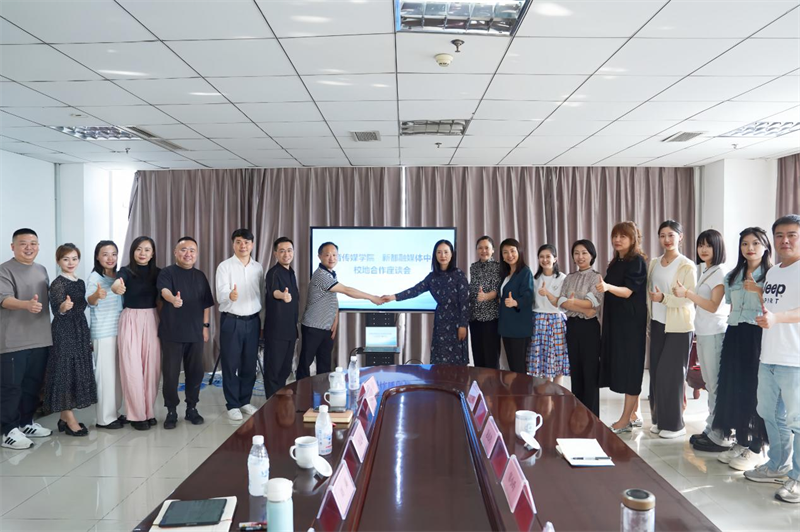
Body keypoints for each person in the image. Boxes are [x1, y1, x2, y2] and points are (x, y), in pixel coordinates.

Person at [746, 214, 800, 503]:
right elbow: (774, 303)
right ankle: (778, 465)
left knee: (797, 421)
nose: (785, 240)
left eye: (792, 235)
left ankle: (798, 477)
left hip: (795, 358)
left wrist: (778, 318)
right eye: (779, 235)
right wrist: (759, 294)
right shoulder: (775, 272)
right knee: (769, 412)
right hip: (769, 355)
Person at [714, 227, 772, 470]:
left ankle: (757, 448)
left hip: (757, 335)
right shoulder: (732, 276)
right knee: (733, 386)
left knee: (754, 390)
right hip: (735, 332)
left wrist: (759, 290)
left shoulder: (772, 275)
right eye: (745, 243)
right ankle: (741, 440)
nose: (750, 248)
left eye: (756, 243)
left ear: (765, 247)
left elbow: (776, 308)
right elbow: (730, 306)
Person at [673, 229, 731, 452]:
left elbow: (713, 306)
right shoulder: (707, 270)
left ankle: (720, 435)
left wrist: (687, 293)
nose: (704, 249)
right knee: (709, 382)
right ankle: (711, 428)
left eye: (709, 245)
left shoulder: (720, 272)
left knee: (715, 385)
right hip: (705, 332)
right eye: (701, 245)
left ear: (718, 248)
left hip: (715, 332)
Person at [0, 228, 53, 449]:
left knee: (33, 384)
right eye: (23, 243)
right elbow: (4, 299)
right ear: (13, 247)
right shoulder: (4, 270)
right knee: (11, 387)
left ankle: (25, 423)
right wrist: (26, 304)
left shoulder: (41, 269)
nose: (29, 247)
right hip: (13, 341)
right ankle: (8, 431)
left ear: (38, 246)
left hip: (41, 338)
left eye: (33, 243)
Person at [298, 242, 382, 379]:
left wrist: (335, 320)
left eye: (334, 255)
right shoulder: (321, 275)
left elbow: (333, 298)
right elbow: (346, 290)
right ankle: (301, 391)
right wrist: (372, 297)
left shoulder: (331, 274)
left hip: (326, 326)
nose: (331, 258)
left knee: (325, 364)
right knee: (305, 364)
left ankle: (323, 390)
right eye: (327, 255)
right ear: (319, 256)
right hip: (313, 326)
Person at [157, 237, 214, 430]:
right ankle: (171, 411)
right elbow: (164, 291)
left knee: (195, 373)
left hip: (195, 332)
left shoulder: (200, 276)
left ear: (196, 254)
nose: (188, 254)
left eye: (192, 250)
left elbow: (206, 304)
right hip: (172, 333)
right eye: (183, 250)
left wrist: (205, 327)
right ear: (175, 252)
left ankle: (192, 408)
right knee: (171, 375)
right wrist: (173, 299)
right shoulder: (167, 272)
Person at [647, 220, 696, 439]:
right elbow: (649, 293)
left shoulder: (686, 265)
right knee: (656, 374)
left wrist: (663, 298)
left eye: (671, 235)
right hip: (658, 323)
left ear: (680, 237)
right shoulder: (654, 263)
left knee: (672, 376)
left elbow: (688, 299)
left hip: (679, 327)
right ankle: (659, 420)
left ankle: (675, 425)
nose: (666, 240)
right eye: (662, 236)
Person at [383, 240, 469, 365]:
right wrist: (393, 297)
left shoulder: (459, 275)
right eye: (439, 252)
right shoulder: (432, 277)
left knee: (457, 362)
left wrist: (463, 325)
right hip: (441, 321)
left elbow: (465, 301)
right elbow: (415, 290)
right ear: (435, 255)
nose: (443, 255)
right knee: (440, 360)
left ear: (451, 254)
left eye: (446, 252)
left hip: (457, 322)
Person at [597, 222, 648, 433]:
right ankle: (634, 414)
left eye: (623, 236)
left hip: (630, 323)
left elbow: (628, 291)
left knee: (631, 368)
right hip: (616, 321)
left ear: (633, 239)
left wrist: (607, 287)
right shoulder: (616, 261)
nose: (617, 240)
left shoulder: (637, 261)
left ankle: (625, 419)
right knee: (622, 365)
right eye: (615, 236)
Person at [45, 244, 97, 437]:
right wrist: (64, 307)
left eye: (74, 258)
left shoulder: (81, 282)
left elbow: (84, 305)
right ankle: (69, 419)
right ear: (58, 261)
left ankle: (63, 417)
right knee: (65, 372)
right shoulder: (57, 283)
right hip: (63, 331)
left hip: (80, 329)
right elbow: (57, 310)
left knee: (75, 371)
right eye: (66, 259)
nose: (70, 262)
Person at [112, 236, 161, 431]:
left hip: (152, 319)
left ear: (152, 253)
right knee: (131, 367)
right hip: (130, 318)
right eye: (139, 249)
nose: (142, 253)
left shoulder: (158, 273)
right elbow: (117, 284)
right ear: (133, 251)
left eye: (147, 249)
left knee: (152, 368)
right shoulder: (125, 271)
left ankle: (148, 412)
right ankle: (136, 414)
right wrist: (117, 287)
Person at [215, 229, 263, 421]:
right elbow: (220, 294)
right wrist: (230, 295)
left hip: (253, 321)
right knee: (230, 364)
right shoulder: (224, 266)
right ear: (233, 244)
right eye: (239, 242)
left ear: (252, 244)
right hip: (231, 321)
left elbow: (260, 294)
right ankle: (232, 404)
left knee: (249, 364)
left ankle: (245, 401)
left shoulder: (258, 268)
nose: (243, 245)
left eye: (246, 242)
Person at [552, 240, 603, 415]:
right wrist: (581, 306)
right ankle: (578, 415)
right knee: (576, 371)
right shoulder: (569, 277)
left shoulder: (596, 277)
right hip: (572, 326)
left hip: (589, 328)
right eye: (576, 253)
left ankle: (592, 416)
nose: (580, 257)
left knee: (590, 372)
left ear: (592, 255)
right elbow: (561, 302)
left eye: (584, 253)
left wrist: (573, 303)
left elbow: (594, 304)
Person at [86, 240, 126, 429]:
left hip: (119, 330)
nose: (110, 258)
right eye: (105, 254)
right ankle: (104, 418)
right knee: (105, 375)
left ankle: (114, 412)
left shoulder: (118, 277)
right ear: (97, 257)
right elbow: (90, 300)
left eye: (113, 254)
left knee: (117, 375)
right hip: (103, 332)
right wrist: (96, 295)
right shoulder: (95, 277)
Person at [263, 237, 299, 397]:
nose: (286, 254)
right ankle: (271, 400)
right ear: (275, 254)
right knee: (274, 368)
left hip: (290, 330)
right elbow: (274, 291)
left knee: (285, 368)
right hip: (276, 331)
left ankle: (280, 395)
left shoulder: (291, 272)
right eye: (282, 251)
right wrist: (282, 295)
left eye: (289, 250)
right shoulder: (273, 273)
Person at [529, 244, 568, 385]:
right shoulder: (534, 279)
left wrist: (547, 293)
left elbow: (563, 303)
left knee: (558, 364)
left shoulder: (563, 278)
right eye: (541, 257)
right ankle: (546, 396)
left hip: (556, 321)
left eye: (548, 256)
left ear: (555, 259)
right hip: (538, 321)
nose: (544, 260)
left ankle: (557, 395)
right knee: (543, 364)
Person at [497, 238, 533, 374]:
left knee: (519, 367)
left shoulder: (525, 272)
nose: (509, 255)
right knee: (512, 366)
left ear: (519, 252)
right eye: (505, 252)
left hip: (519, 327)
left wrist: (516, 302)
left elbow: (529, 296)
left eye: (512, 251)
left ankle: (523, 389)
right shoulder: (505, 274)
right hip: (506, 327)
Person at [468, 236, 501, 369]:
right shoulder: (473, 267)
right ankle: (479, 382)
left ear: (493, 250)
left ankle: (493, 383)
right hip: (474, 318)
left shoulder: (498, 267)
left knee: (491, 358)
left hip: (491, 318)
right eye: (480, 248)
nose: (483, 251)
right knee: (478, 357)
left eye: (487, 248)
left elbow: (498, 290)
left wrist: (486, 296)